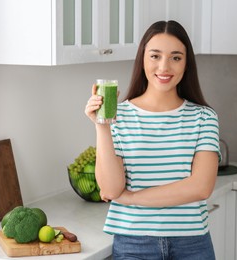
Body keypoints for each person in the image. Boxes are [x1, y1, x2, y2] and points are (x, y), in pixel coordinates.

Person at [85, 20, 220, 260]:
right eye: (155, 56)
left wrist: (131, 198)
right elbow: (110, 189)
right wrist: (102, 126)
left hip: (192, 245)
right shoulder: (119, 116)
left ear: (186, 63)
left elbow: (201, 187)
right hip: (133, 245)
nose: (164, 67)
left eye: (176, 57)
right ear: (143, 59)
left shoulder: (203, 118)